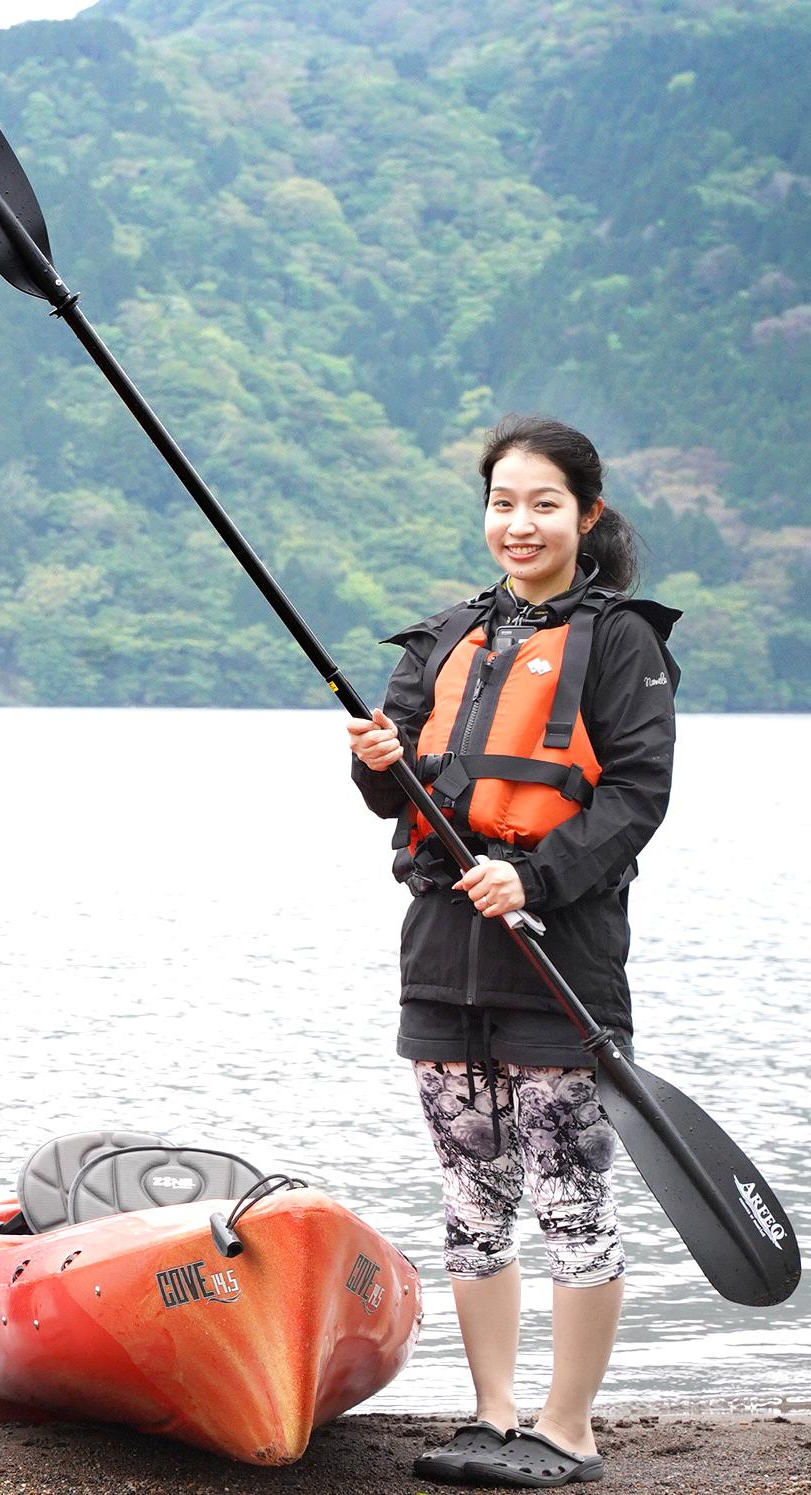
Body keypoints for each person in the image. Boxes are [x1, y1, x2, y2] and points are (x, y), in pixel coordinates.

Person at [346, 415, 676, 1489]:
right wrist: (376, 760)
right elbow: (390, 794)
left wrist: (534, 877)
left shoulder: (621, 642)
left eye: (543, 503)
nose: (518, 522)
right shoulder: (444, 636)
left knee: (570, 1199)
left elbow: (637, 795)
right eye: (501, 503)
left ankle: (567, 1428)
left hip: (559, 962)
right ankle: (492, 1414)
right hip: (443, 958)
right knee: (472, 1201)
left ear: (586, 513)